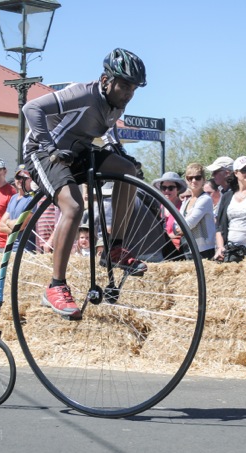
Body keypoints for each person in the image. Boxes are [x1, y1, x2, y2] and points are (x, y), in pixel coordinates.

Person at [22, 48, 147, 318]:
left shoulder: (118, 102)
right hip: (43, 153)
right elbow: (31, 108)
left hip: (78, 151)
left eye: (133, 88)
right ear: (106, 80)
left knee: (128, 171)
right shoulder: (83, 93)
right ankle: (55, 287)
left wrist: (117, 148)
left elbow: (107, 123)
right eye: (124, 85)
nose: (128, 93)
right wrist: (49, 146)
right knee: (74, 206)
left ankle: (113, 248)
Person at [174, 163, 216, 260]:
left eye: (197, 178)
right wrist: (179, 228)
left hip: (204, 250)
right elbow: (177, 222)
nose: (193, 181)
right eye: (190, 178)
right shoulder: (186, 201)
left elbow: (191, 221)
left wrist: (180, 229)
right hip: (188, 247)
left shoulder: (205, 199)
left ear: (203, 180)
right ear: (186, 180)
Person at [0, 165, 35, 252]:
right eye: (18, 177)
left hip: (26, 250)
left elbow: (19, 226)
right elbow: (0, 225)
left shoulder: (33, 198)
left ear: (30, 179)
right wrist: (13, 226)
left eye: (24, 177)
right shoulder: (13, 198)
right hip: (10, 249)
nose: (20, 180)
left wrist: (7, 222)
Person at [152, 171, 187, 250]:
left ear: (178, 189)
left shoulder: (183, 207)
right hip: (160, 250)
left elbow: (185, 231)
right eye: (163, 188)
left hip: (179, 250)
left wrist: (165, 236)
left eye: (170, 188)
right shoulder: (158, 208)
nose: (166, 191)